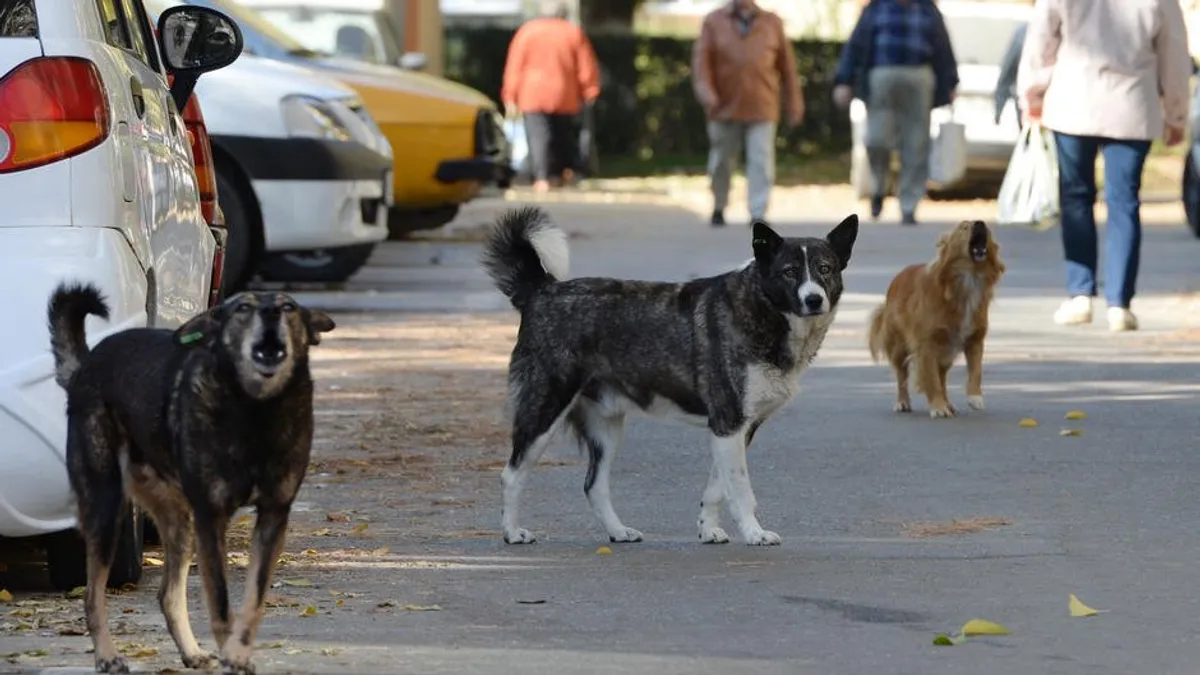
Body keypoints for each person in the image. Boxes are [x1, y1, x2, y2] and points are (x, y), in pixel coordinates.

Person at [1017, 0, 1191, 331]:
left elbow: (1041, 39)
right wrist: (1176, 112)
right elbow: (1174, 54)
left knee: (1075, 198)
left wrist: (1032, 95)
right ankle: (1119, 303)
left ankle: (1079, 293)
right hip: (1132, 107)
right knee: (1124, 201)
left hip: (1073, 102)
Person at [832, 0, 959, 225]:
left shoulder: (927, 10)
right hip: (881, 76)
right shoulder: (876, 8)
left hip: (920, 76)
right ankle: (878, 188)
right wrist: (844, 80)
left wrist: (950, 83)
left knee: (916, 144)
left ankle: (909, 205)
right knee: (876, 139)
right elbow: (856, 45)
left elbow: (943, 48)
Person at [691, 0, 804, 227]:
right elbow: (701, 65)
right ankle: (719, 204)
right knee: (721, 160)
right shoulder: (714, 21)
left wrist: (794, 103)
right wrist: (708, 95)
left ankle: (758, 212)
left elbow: (788, 69)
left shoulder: (772, 22)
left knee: (761, 160)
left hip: (762, 104)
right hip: (724, 106)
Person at [501, 2, 601, 194]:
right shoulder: (572, 33)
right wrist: (590, 90)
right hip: (564, 94)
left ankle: (542, 178)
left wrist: (510, 94)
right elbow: (586, 66)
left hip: (532, 93)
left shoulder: (527, 32)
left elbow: (515, 66)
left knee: (538, 136)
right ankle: (560, 174)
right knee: (562, 135)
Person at [993, 22, 1028, 128]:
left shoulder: (1023, 32)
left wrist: (999, 106)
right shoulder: (1023, 32)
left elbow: (1007, 70)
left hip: (1029, 104)